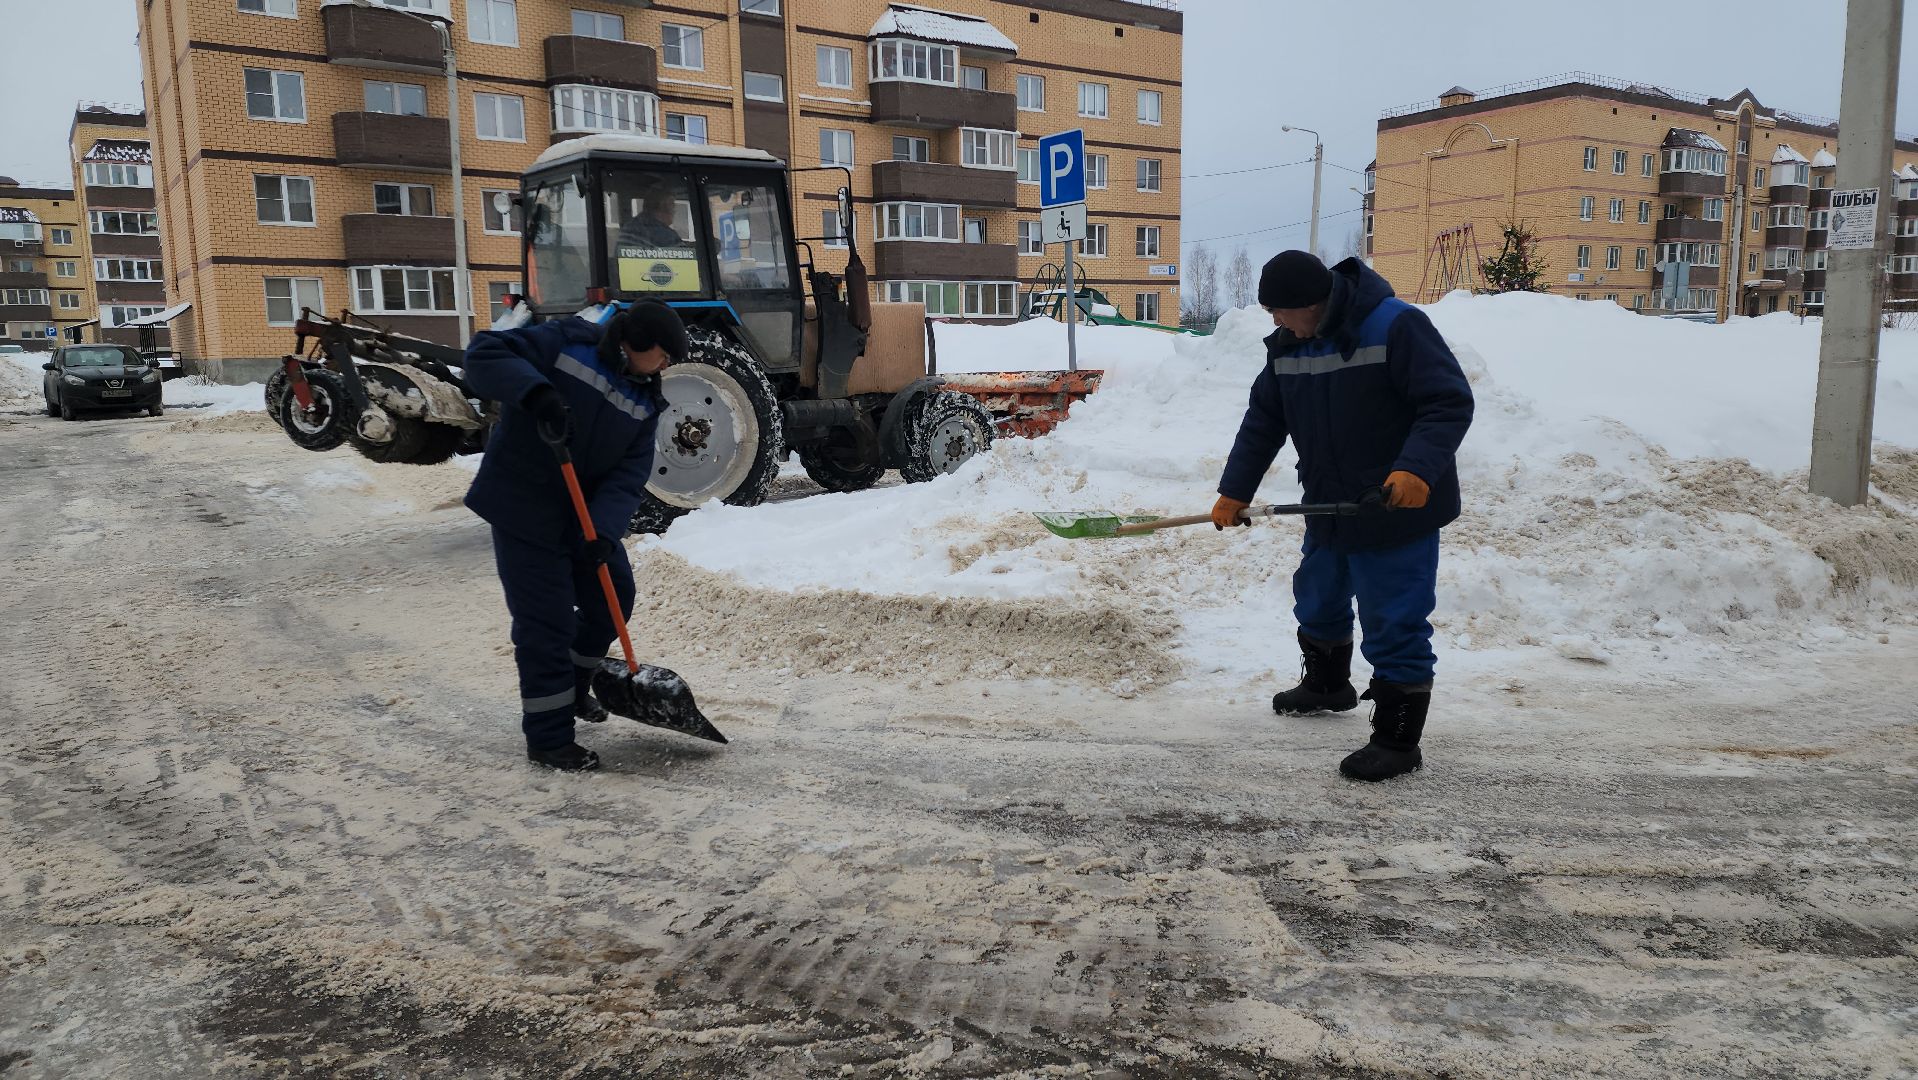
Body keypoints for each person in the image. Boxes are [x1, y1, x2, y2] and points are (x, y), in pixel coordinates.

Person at [1212, 251, 1474, 782]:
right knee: (1318, 594)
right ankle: (1328, 685)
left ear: (1315, 303)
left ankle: (1398, 741)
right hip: (1329, 503)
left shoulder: (1396, 325)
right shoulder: (1288, 346)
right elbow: (1264, 420)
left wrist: (1416, 470)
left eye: (1282, 312)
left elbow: (1447, 401)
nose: (1276, 323)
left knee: (1394, 617)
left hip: (1396, 506)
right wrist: (1234, 491)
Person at [461, 302, 689, 771]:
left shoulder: (646, 400)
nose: (667, 366)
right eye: (666, 355)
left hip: (583, 515)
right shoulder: (568, 342)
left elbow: (628, 474)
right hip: (524, 506)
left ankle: (575, 687)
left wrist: (604, 532)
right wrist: (536, 393)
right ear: (639, 342)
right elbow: (483, 354)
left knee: (613, 598)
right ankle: (548, 738)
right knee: (546, 623)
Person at [617, 186, 686, 248]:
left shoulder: (628, 228)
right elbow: (686, 259)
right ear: (662, 205)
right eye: (672, 204)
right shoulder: (666, 235)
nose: (675, 210)